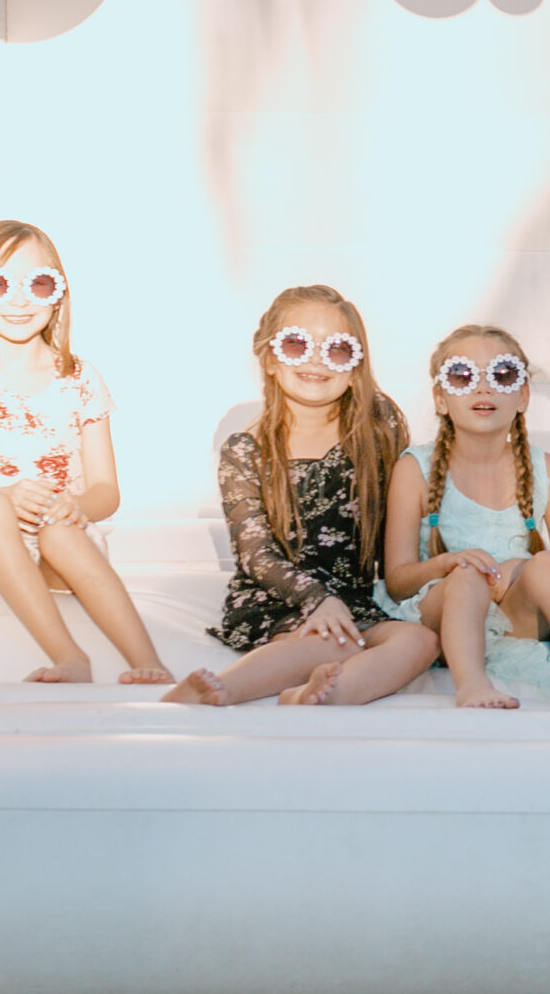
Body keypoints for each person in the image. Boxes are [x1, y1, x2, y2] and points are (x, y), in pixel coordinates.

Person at [0, 220, 170, 685]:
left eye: (38, 283)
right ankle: (70, 658)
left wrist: (74, 504)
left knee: (60, 530)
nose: (19, 300)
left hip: (58, 543)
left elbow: (106, 492)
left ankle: (151, 663)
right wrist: (4, 494)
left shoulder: (80, 378)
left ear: (58, 295)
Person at [164, 286, 438, 707]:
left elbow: (406, 511)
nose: (316, 359)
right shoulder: (245, 450)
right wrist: (316, 599)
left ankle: (321, 695)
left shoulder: (377, 428)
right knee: (339, 643)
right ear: (271, 359)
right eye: (297, 344)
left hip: (353, 599)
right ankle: (221, 689)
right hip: (276, 598)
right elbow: (255, 555)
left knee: (419, 641)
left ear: (356, 364)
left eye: (338, 349)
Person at [372, 325, 550, 711]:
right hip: (445, 613)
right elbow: (397, 581)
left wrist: (512, 568)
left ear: (523, 396)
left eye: (501, 375)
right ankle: (472, 684)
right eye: (463, 376)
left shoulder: (545, 467)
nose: (483, 388)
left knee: (548, 562)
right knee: (467, 577)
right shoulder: (416, 468)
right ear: (441, 398)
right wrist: (449, 563)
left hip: (517, 612)